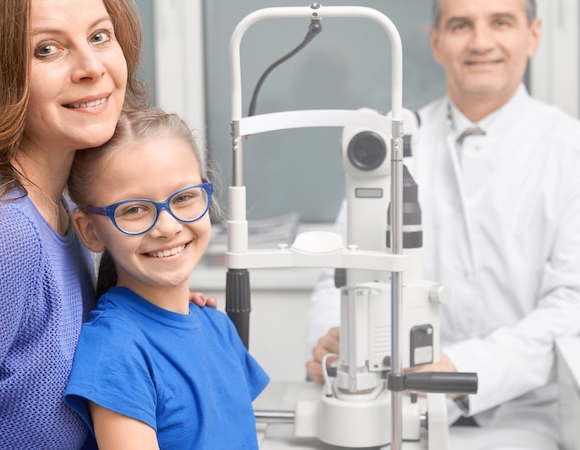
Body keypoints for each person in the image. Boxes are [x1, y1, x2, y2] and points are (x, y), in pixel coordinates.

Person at [306, 0, 580, 444]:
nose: (481, 42)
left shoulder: (570, 151)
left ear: (533, 35)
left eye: (501, 22)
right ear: (436, 42)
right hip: (395, 408)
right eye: (460, 25)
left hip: (527, 414)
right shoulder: (390, 141)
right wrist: (332, 344)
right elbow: (340, 273)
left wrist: (461, 365)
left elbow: (571, 303)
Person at [0, 1, 213, 448]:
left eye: (99, 36)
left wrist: (151, 304)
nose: (91, 67)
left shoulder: (59, 210)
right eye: (47, 50)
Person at [63, 107, 270, 450]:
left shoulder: (218, 328)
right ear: (90, 230)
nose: (168, 227)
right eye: (133, 209)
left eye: (184, 197)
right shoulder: (115, 350)